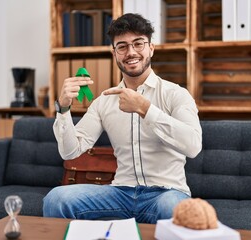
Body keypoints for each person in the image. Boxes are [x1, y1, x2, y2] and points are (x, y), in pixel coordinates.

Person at [43, 13, 202, 224]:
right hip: (120, 193)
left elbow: (193, 146)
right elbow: (70, 151)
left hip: (167, 192)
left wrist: (146, 109)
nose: (131, 52)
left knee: (174, 207)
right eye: (122, 46)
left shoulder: (175, 94)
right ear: (115, 53)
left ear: (151, 48)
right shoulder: (104, 101)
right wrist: (63, 109)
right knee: (56, 199)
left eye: (138, 44)